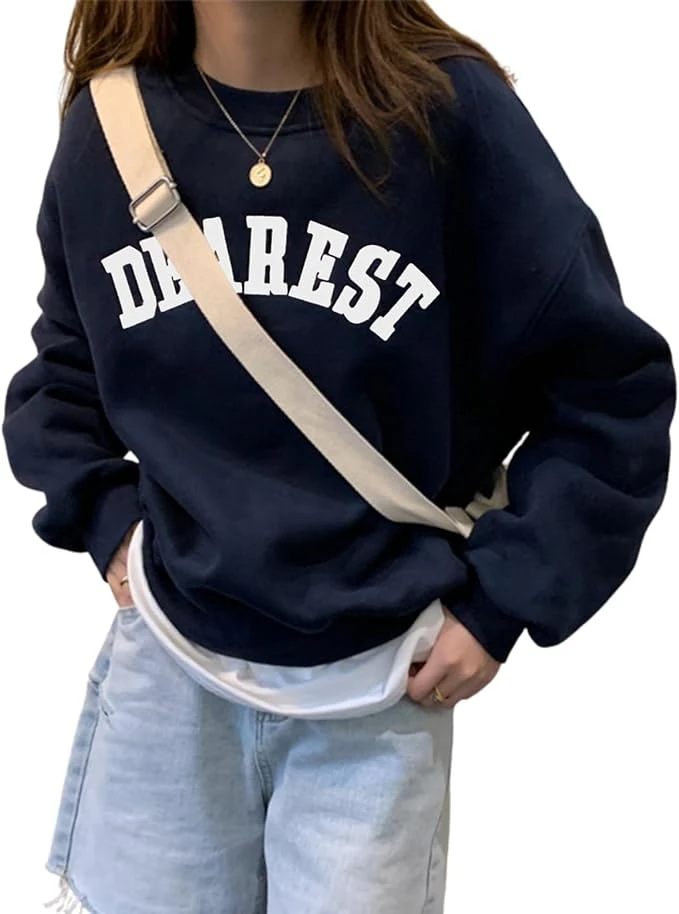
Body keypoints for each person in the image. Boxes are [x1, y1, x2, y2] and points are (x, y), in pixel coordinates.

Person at [2, 1, 675, 912]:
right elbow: (64, 369)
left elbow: (608, 388)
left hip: (378, 684)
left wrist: (504, 599)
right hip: (166, 668)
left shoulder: (447, 117)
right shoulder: (112, 127)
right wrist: (106, 521)